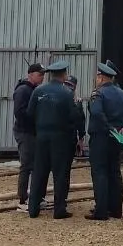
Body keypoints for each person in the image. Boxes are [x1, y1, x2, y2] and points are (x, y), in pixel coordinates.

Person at [24, 60, 85, 219]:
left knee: (39, 172)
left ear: (50, 74)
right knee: (61, 173)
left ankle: (33, 208)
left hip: (42, 137)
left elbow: (29, 114)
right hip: (61, 139)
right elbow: (74, 117)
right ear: (64, 75)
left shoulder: (38, 91)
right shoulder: (67, 94)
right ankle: (59, 209)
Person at [86, 62, 123, 221]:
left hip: (101, 137)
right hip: (117, 139)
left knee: (99, 173)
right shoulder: (122, 94)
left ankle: (101, 211)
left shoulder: (98, 94)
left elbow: (97, 112)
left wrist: (108, 128)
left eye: (97, 76)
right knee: (114, 172)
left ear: (101, 77)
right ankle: (116, 210)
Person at [12, 63, 46, 211]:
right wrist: (34, 120)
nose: (42, 77)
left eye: (43, 74)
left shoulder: (34, 90)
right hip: (25, 132)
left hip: (32, 132)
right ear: (31, 74)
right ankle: (22, 200)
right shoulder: (23, 90)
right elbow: (19, 113)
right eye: (40, 74)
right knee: (26, 166)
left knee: (34, 165)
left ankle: (35, 197)